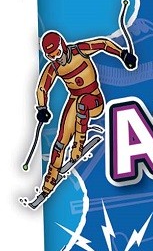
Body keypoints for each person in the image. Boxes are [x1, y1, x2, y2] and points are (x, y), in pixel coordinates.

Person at [34, 26, 135, 198]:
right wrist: (42, 107)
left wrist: (123, 54)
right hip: (75, 98)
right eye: (52, 57)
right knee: (60, 141)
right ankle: (48, 184)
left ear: (63, 46)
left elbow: (103, 44)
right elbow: (42, 87)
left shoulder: (79, 50)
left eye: (58, 53)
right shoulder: (55, 68)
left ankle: (78, 145)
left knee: (82, 104)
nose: (58, 59)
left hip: (94, 99)